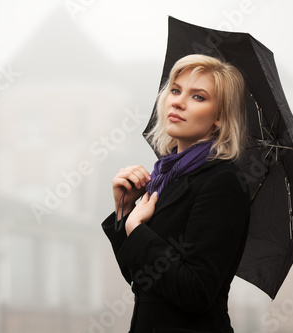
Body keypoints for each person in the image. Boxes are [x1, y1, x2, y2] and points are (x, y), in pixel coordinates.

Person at [101, 54, 251, 333]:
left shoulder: (222, 182)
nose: (178, 101)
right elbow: (140, 279)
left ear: (219, 117)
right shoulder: (164, 179)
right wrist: (124, 210)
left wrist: (137, 228)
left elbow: (196, 291)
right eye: (175, 90)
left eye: (198, 97)